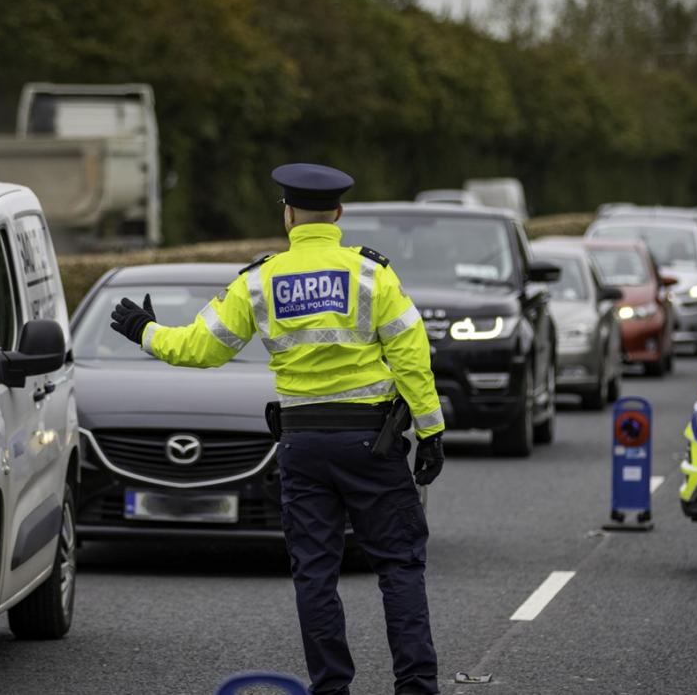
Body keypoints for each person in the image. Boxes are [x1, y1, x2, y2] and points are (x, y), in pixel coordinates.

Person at [110, 163, 445, 695]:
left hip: (302, 445)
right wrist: (430, 430)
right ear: (338, 214)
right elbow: (411, 355)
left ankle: (331, 688)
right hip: (371, 442)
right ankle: (417, 687)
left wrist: (145, 330)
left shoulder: (259, 280)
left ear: (288, 215)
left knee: (315, 573)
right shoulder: (371, 274)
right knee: (399, 566)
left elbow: (200, 348)